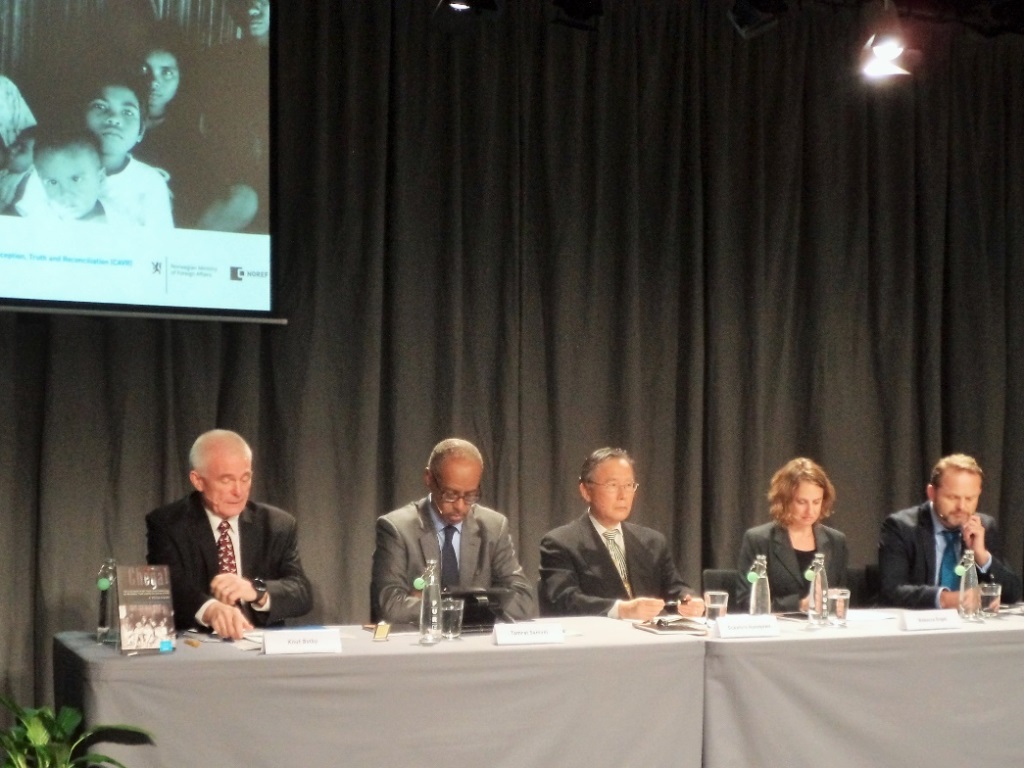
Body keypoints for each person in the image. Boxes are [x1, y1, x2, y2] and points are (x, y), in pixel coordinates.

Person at [146, 429, 312, 639]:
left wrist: (256, 590)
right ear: (198, 481)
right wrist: (211, 609)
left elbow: (301, 592)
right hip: (197, 650)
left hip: (261, 650)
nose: (239, 491)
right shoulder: (168, 524)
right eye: (226, 480)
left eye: (245, 478)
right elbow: (169, 585)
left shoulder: (277, 525)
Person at [370, 438, 536, 624]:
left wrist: (432, 604)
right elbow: (390, 606)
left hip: (477, 647)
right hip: (418, 646)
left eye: (470, 495)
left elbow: (523, 600)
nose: (460, 506)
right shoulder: (397, 528)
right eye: (450, 494)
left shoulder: (493, 527)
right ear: (429, 479)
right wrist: (474, 608)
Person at [539, 447, 705, 620]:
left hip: (650, 641)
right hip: (597, 642)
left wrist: (689, 600)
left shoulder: (652, 542)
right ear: (586, 491)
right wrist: (621, 610)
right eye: (612, 485)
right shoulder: (560, 543)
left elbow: (675, 588)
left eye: (628, 485)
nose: (623, 495)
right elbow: (563, 600)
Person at [878, 453, 1022, 608]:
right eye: (953, 498)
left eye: (969, 499)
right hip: (920, 625)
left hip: (971, 627)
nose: (962, 507)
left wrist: (982, 556)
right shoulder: (901, 526)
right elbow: (891, 590)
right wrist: (946, 599)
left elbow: (1013, 593)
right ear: (932, 493)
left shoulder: (984, 527)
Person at [735, 457, 848, 613]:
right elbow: (745, 602)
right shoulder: (758, 540)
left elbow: (839, 594)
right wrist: (800, 605)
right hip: (776, 633)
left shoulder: (836, 541)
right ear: (784, 500)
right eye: (802, 502)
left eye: (816, 502)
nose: (810, 511)